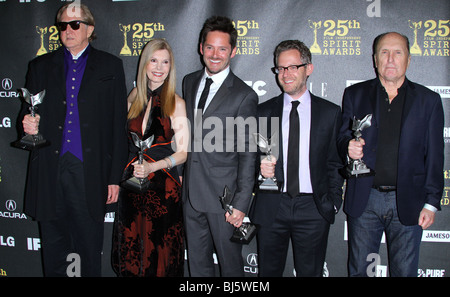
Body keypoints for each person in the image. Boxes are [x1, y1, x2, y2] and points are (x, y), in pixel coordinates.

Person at [19, 3, 128, 276]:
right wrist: (26, 124)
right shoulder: (40, 66)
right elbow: (27, 111)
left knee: (88, 248)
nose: (67, 30)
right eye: (62, 26)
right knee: (54, 249)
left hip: (89, 172)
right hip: (49, 170)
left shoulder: (111, 66)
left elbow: (118, 126)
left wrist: (114, 176)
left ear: (89, 28)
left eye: (75, 24)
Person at [337, 32, 444, 277]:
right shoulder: (355, 94)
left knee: (405, 272)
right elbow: (343, 137)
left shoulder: (429, 101)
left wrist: (431, 203)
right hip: (365, 199)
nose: (391, 59)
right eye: (384, 53)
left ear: (408, 59)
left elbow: (436, 156)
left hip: (409, 201)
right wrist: (348, 148)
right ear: (375, 59)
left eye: (398, 52)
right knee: (359, 272)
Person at [250, 40, 344, 277]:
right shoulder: (263, 112)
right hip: (272, 205)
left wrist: (332, 201)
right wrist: (260, 172)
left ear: (308, 68)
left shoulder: (330, 113)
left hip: (313, 207)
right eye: (281, 68)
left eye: (293, 67)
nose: (286, 74)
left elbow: (335, 162)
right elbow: (249, 160)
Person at [181, 16, 258, 277]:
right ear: (201, 47)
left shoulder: (244, 95)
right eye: (210, 47)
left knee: (230, 267)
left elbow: (248, 153)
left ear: (233, 52)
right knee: (198, 266)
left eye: (222, 48)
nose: (215, 55)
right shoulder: (189, 81)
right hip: (191, 194)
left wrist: (241, 202)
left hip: (224, 200)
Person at [112, 39, 188, 277]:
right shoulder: (134, 95)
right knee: (132, 251)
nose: (159, 67)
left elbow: (184, 152)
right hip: (131, 185)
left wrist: (154, 166)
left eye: (165, 62)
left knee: (160, 256)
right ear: (144, 63)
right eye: (154, 60)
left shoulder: (176, 103)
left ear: (171, 67)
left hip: (163, 188)